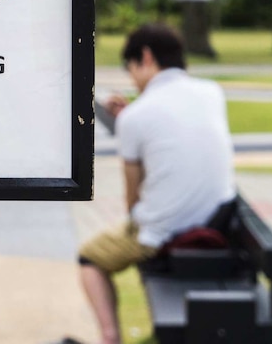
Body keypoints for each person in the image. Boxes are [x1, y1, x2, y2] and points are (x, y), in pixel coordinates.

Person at [77, 23, 237, 344]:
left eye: (131, 67)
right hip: (217, 218)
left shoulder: (136, 118)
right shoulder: (211, 92)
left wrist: (128, 121)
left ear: (146, 57)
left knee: (89, 257)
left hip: (166, 232)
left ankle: (110, 337)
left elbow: (132, 201)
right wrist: (131, 116)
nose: (131, 77)